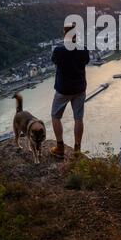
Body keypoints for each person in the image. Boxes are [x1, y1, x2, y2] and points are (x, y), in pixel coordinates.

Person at [50, 23, 90, 158]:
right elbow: (85, 62)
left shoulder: (58, 51)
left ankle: (60, 148)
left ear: (64, 34)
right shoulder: (83, 50)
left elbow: (55, 62)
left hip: (63, 90)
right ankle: (77, 150)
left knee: (55, 116)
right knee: (78, 118)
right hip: (79, 89)